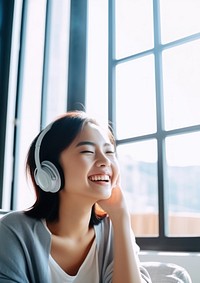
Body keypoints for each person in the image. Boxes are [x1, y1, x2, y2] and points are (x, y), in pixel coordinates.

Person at [0, 111, 151, 283]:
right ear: (50, 171)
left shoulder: (114, 229)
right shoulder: (13, 231)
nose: (105, 161)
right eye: (87, 151)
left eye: (109, 152)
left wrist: (121, 217)